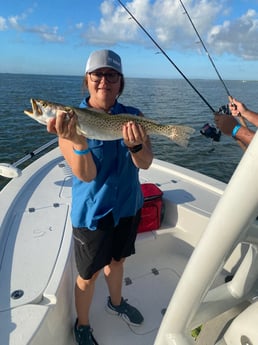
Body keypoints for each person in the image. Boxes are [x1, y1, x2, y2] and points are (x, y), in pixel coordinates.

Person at [47, 49, 153, 345]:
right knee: (89, 275)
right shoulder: (69, 121)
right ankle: (82, 324)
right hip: (94, 213)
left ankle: (116, 303)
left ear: (120, 82)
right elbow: (87, 175)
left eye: (111, 75)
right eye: (98, 74)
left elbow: (145, 163)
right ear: (87, 80)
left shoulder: (134, 117)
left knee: (117, 261)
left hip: (128, 207)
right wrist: (78, 141)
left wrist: (135, 148)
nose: (104, 80)